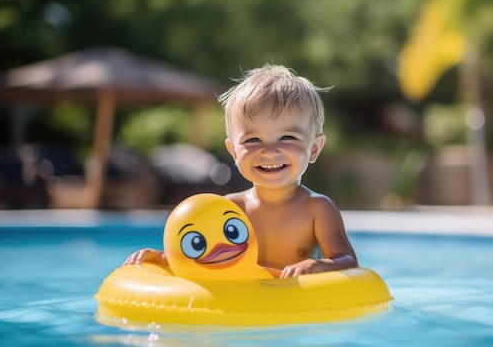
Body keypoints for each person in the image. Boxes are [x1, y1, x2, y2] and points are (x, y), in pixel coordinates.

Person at [123, 64, 358, 278]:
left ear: (314, 148)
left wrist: (315, 266)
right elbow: (204, 258)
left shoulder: (317, 208)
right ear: (233, 152)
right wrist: (164, 258)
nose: (269, 150)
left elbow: (347, 260)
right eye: (253, 140)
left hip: (290, 306)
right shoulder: (229, 209)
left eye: (287, 137)